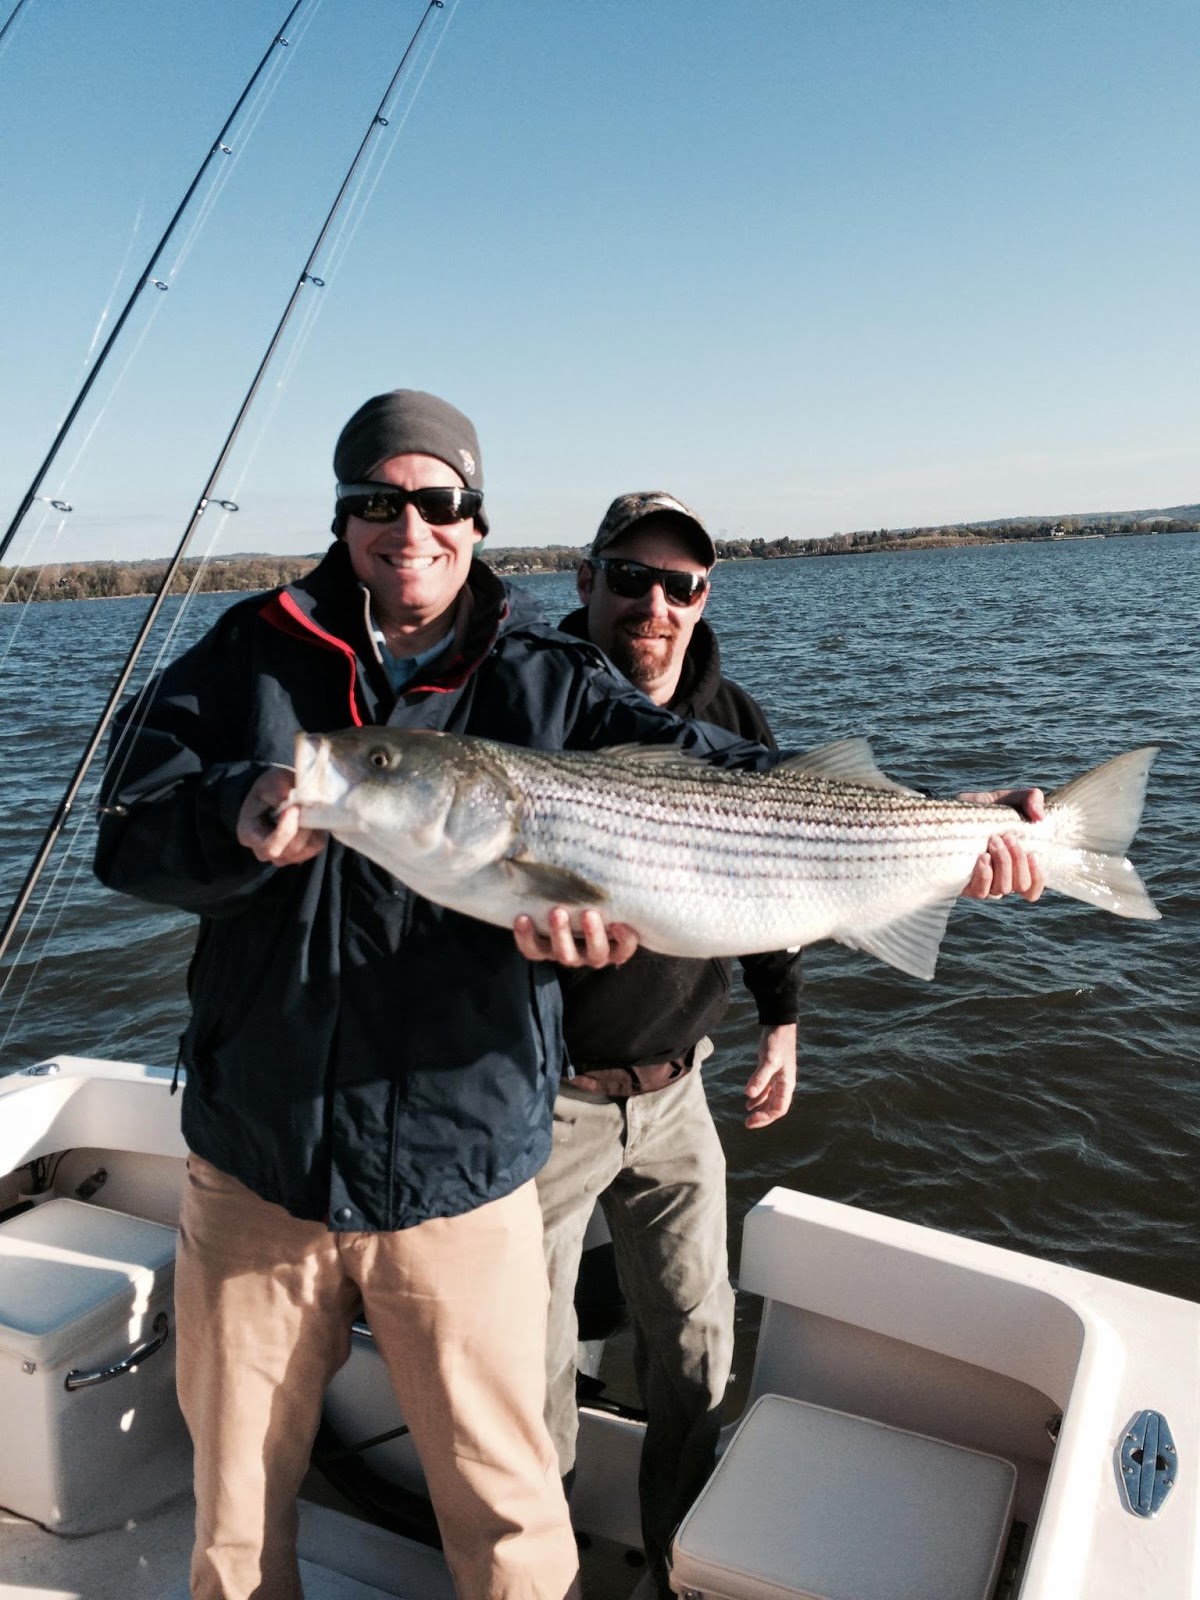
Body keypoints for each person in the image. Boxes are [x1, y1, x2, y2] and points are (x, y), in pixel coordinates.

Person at [92, 396, 777, 1600]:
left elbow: (723, 777)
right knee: (236, 1518)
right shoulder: (246, 653)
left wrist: (957, 829)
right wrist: (229, 819)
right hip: (260, 1163)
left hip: (465, 1168)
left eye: (438, 501)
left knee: (511, 1519)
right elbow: (125, 831)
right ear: (345, 516)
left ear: (475, 517)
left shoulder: (548, 677)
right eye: (376, 501)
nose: (409, 526)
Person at [531, 491, 1045, 1599]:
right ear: (586, 580)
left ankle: (672, 1569)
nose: (655, 605)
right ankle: (546, 1576)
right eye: (631, 577)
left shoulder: (738, 715)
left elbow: (789, 877)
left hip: (677, 1092)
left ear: (705, 596)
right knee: (528, 1375)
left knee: (699, 1347)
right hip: (542, 1099)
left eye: (682, 585)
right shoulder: (534, 704)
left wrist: (784, 1023)